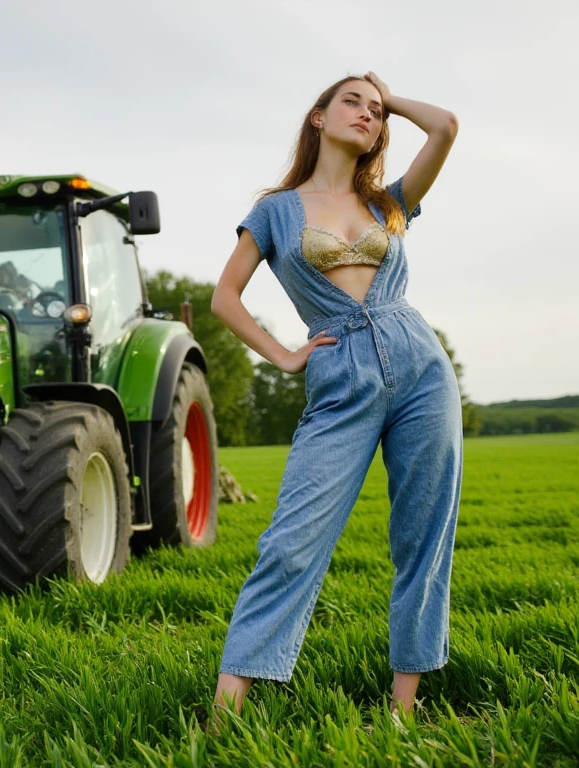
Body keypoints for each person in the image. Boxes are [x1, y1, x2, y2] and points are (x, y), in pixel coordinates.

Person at [208, 72, 462, 726]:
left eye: (375, 112)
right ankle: (225, 713)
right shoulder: (276, 211)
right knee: (291, 542)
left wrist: (390, 99)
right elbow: (224, 298)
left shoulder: (389, 203)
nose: (368, 114)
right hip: (340, 377)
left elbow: (446, 127)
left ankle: (404, 710)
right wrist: (286, 355)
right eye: (351, 101)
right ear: (317, 116)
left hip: (420, 368)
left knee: (422, 537)